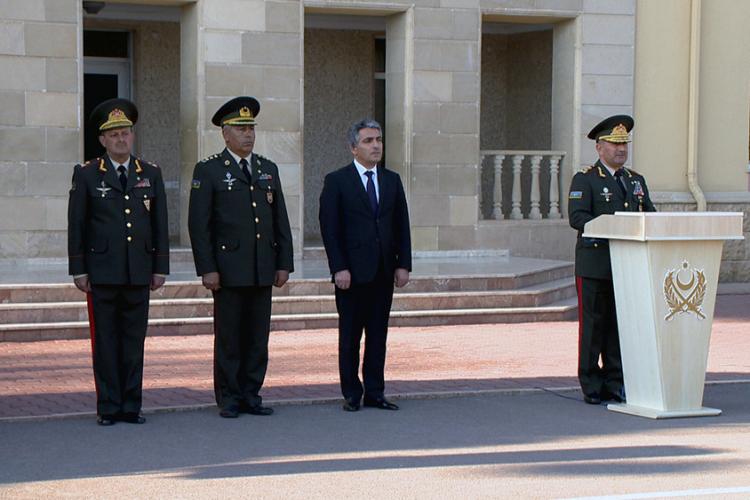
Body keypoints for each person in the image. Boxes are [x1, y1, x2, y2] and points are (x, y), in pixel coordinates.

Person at [188, 96, 294, 418]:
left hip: (261, 267)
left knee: (257, 337)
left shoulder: (267, 169)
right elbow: (199, 225)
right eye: (241, 128)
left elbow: (280, 220)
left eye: (251, 128)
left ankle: (252, 393)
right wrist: (208, 268)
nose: (248, 134)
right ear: (225, 134)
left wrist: (283, 263)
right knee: (230, 337)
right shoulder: (209, 170)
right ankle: (229, 396)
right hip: (229, 269)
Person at [67, 98, 170, 426]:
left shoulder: (150, 173)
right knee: (106, 342)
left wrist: (160, 266)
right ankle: (109, 406)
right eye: (114, 135)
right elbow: (77, 224)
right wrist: (79, 268)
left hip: (138, 271)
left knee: (133, 341)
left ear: (132, 136)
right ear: (102, 140)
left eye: (125, 133)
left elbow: (160, 224)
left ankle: (131, 405)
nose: (121, 139)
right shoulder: (86, 175)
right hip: (102, 273)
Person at [319, 118, 412, 412]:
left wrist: (403, 264)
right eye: (368, 141)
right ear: (353, 147)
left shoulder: (391, 180)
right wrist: (339, 267)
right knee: (350, 336)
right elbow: (329, 228)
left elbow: (401, 225)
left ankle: (375, 391)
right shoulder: (337, 181)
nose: (375, 146)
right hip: (352, 273)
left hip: (383, 271)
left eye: (378, 140)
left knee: (377, 335)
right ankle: (351, 392)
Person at [568, 114, 656, 405]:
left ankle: (615, 382)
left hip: (627, 265)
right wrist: (613, 226)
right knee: (593, 327)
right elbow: (577, 217)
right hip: (595, 265)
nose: (621, 149)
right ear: (599, 147)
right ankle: (591, 383)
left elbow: (650, 217)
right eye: (614, 143)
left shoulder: (636, 181)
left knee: (620, 327)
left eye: (624, 144)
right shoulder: (586, 179)